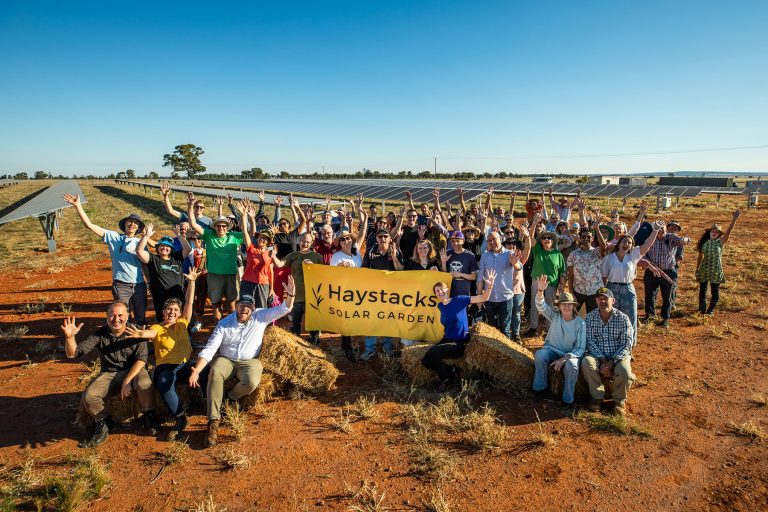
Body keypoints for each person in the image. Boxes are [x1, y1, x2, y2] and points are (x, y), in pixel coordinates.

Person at [189, 277, 296, 447]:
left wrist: (290, 294)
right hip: (226, 359)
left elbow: (285, 307)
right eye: (242, 306)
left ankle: (231, 398)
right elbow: (210, 349)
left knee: (252, 381)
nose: (245, 309)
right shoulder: (224, 324)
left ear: (253, 309)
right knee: (215, 371)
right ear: (236, 306)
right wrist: (197, 370)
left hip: (250, 361)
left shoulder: (261, 316)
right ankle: (213, 421)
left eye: (249, 307)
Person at [61, 302, 158, 448]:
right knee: (89, 396)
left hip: (135, 370)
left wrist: (127, 380)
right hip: (110, 373)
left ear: (127, 316)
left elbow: (142, 359)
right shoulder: (100, 334)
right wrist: (70, 338)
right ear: (106, 317)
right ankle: (104, 421)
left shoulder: (136, 331)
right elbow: (73, 354)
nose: (116, 319)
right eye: (112, 315)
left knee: (144, 384)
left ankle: (149, 414)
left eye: (120, 315)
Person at [123, 269, 201, 440]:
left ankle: (209, 409)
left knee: (207, 372)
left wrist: (192, 282)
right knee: (165, 384)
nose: (172, 312)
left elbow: (188, 302)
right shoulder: (157, 327)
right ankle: (180, 418)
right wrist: (140, 334)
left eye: (175, 309)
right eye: (168, 310)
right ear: (163, 313)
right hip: (165, 367)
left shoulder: (183, 322)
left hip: (184, 365)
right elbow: (148, 334)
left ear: (179, 313)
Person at [62, 193, 148, 326]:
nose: (132, 224)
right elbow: (90, 225)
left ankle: (140, 344)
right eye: (130, 221)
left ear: (138, 228)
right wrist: (78, 205)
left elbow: (145, 264)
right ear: (125, 224)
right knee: (122, 316)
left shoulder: (141, 242)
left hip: (139, 285)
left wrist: (149, 283)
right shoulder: (114, 237)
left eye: (135, 223)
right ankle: (122, 342)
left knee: (140, 317)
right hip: (121, 284)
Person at [423, 269, 497, 392]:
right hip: (447, 339)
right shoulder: (440, 306)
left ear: (447, 289)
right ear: (435, 294)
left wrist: (490, 286)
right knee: (425, 361)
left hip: (460, 342)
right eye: (437, 291)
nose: (440, 292)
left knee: (434, 352)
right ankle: (452, 370)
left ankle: (445, 381)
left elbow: (483, 297)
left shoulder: (459, 300)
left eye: (441, 289)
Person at [601, 221, 663, 346]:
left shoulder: (634, 255)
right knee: (611, 318)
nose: (627, 244)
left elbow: (647, 245)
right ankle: (612, 345)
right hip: (611, 289)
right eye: (624, 241)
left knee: (630, 318)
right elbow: (603, 276)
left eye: (629, 243)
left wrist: (655, 230)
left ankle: (628, 347)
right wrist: (604, 292)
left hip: (628, 289)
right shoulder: (609, 257)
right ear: (618, 244)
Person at [187, 192, 244, 324]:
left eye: (224, 226)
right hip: (214, 275)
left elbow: (249, 232)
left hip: (230, 274)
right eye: (218, 226)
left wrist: (245, 214)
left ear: (227, 227)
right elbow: (193, 223)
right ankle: (219, 326)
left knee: (231, 303)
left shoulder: (234, 236)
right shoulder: (209, 234)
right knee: (215, 303)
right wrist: (190, 205)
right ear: (214, 227)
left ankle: (233, 327)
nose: (221, 228)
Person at [532, 275, 585, 406]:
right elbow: (541, 306)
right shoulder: (555, 316)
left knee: (572, 366)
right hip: (552, 350)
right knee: (539, 355)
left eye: (569, 305)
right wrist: (540, 291)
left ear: (573, 306)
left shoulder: (580, 323)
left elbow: (580, 348)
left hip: (569, 355)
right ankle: (540, 388)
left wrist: (564, 359)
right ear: (559, 306)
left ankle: (568, 399)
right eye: (563, 304)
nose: (566, 307)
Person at [581, 287, 634, 416]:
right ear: (596, 301)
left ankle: (619, 401)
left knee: (625, 372)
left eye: (606, 298)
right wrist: (603, 361)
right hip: (598, 355)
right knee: (587, 363)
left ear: (613, 301)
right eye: (600, 299)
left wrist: (612, 362)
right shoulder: (589, 318)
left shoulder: (623, 319)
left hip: (618, 355)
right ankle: (597, 396)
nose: (603, 301)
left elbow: (626, 344)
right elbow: (589, 341)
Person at [476, 229, 530, 341]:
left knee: (505, 329)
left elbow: (520, 267)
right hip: (489, 298)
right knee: (492, 328)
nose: (492, 242)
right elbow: (480, 277)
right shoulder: (485, 256)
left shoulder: (509, 254)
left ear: (500, 239)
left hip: (505, 298)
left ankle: (505, 353)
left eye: (494, 239)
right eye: (489, 240)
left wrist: (515, 264)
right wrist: (479, 297)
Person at [273, 232, 324, 345]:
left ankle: (314, 344)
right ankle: (296, 345)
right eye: (303, 241)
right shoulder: (293, 255)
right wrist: (273, 256)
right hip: (297, 295)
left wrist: (313, 267)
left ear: (311, 243)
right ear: (299, 241)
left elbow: (324, 275)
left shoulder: (317, 257)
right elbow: (280, 265)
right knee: (296, 323)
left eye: (307, 242)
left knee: (313, 324)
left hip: (312, 295)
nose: (305, 244)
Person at [360, 228, 404, 360]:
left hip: (391, 294)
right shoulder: (371, 251)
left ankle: (387, 347)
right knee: (371, 320)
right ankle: (370, 348)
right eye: (380, 237)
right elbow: (364, 270)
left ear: (390, 238)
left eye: (385, 236)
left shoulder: (396, 251)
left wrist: (395, 257)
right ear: (376, 239)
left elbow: (401, 271)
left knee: (388, 319)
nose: (383, 239)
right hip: (374, 293)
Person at [136, 224, 190, 322]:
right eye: (162, 245)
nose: (164, 248)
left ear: (171, 249)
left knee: (180, 317)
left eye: (167, 246)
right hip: (160, 296)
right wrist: (147, 236)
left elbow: (188, 249)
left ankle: (183, 335)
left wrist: (179, 235)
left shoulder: (177, 258)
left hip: (177, 295)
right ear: (158, 247)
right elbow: (139, 251)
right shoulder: (153, 259)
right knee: (162, 318)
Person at [642, 223, 691, 327]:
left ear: (666, 230)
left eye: (662, 229)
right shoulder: (649, 239)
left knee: (667, 296)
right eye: (657, 229)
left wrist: (685, 240)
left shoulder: (671, 237)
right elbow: (643, 254)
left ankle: (665, 319)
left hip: (668, 271)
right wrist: (650, 263)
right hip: (652, 271)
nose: (660, 231)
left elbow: (683, 240)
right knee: (649, 295)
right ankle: (650, 316)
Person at [527, 212, 566, 335]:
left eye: (549, 238)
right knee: (534, 304)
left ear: (553, 241)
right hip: (537, 282)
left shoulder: (558, 254)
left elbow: (562, 272)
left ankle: (549, 330)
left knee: (549, 306)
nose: (546, 239)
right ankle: (534, 327)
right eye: (544, 238)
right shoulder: (538, 250)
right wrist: (533, 224)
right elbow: (530, 238)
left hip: (551, 283)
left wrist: (561, 285)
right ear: (541, 241)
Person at [696, 210, 741, 315]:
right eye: (713, 231)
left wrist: (734, 219)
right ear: (709, 232)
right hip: (704, 269)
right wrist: (697, 268)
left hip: (716, 270)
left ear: (719, 234)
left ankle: (710, 310)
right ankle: (702, 309)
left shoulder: (720, 242)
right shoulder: (704, 243)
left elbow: (729, 231)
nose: (715, 233)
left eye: (717, 232)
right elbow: (700, 256)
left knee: (714, 291)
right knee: (703, 289)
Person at [236, 200, 275, 308]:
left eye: (264, 238)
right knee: (244, 308)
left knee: (260, 310)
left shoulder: (270, 253)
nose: (261, 239)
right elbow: (245, 231)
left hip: (263, 284)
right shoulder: (251, 249)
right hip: (247, 283)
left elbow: (271, 273)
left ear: (268, 242)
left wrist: (272, 290)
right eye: (260, 237)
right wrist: (244, 215)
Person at [567, 228, 606, 314]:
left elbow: (604, 247)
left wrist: (597, 229)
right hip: (578, 291)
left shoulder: (597, 252)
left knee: (593, 318)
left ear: (592, 238)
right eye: (583, 237)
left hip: (594, 292)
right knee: (573, 316)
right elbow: (570, 276)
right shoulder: (573, 254)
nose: (586, 239)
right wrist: (571, 293)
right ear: (580, 238)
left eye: (589, 237)